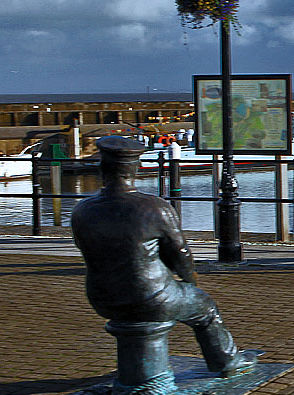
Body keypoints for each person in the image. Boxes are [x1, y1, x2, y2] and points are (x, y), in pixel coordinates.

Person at [71, 136, 255, 377]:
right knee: (205, 308)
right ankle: (227, 362)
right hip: (151, 296)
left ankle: (139, 374)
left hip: (102, 296)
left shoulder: (82, 210)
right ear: (134, 169)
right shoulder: (154, 207)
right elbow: (180, 254)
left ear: (101, 169)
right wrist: (190, 282)